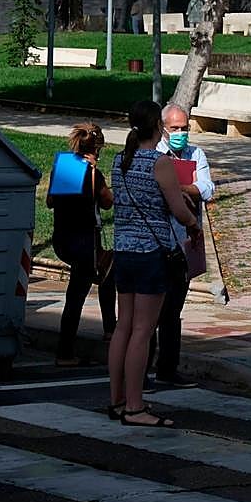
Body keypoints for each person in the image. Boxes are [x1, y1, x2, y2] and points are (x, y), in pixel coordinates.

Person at [108, 101, 202, 427]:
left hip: (122, 251)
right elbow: (178, 210)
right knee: (143, 331)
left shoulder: (119, 161)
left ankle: (117, 399)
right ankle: (136, 407)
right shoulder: (159, 163)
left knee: (123, 327)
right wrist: (193, 224)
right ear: (159, 128)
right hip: (152, 254)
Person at [148, 103, 214, 388]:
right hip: (157, 243)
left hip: (184, 244)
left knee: (173, 310)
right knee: (149, 311)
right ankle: (143, 366)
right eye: (174, 128)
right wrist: (185, 188)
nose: (180, 133)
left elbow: (207, 188)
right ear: (163, 128)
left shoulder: (195, 153)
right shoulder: (154, 155)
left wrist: (180, 187)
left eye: (184, 128)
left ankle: (168, 367)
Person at [47, 123, 117, 366]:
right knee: (77, 296)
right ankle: (65, 352)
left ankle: (110, 329)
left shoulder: (63, 167)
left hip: (62, 239)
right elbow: (107, 203)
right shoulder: (93, 174)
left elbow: (49, 201)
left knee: (107, 273)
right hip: (85, 241)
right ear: (98, 149)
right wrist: (98, 176)